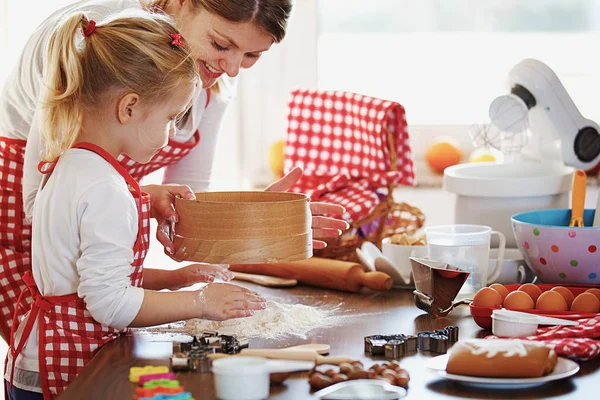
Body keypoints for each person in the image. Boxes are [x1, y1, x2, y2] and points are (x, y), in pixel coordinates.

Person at [0, 0, 348, 342]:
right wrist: (136, 202)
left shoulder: (215, 79)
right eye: (221, 44)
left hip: (93, 230)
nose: (231, 68)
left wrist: (255, 219)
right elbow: (43, 203)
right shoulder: (99, 43)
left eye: (252, 56)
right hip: (21, 223)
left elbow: (188, 199)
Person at [4, 10, 269, 399]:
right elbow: (109, 303)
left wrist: (174, 278)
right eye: (170, 117)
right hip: (67, 371)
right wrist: (198, 302)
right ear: (128, 108)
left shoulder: (66, 166)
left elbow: (91, 277)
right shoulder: (105, 190)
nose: (171, 133)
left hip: (33, 361)